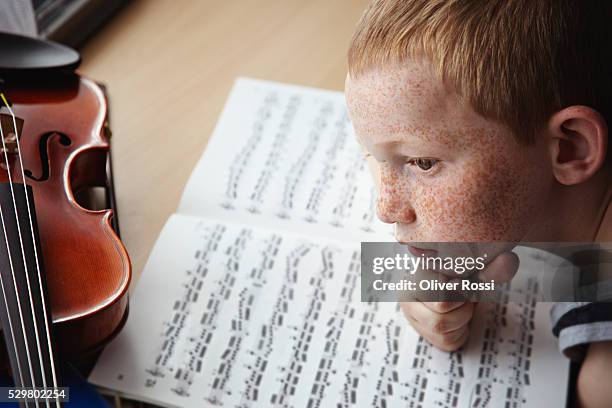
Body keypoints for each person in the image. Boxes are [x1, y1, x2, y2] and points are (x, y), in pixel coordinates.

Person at [344, 1, 612, 407]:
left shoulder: (602, 382)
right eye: (375, 157)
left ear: (571, 147)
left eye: (422, 162)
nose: (387, 207)